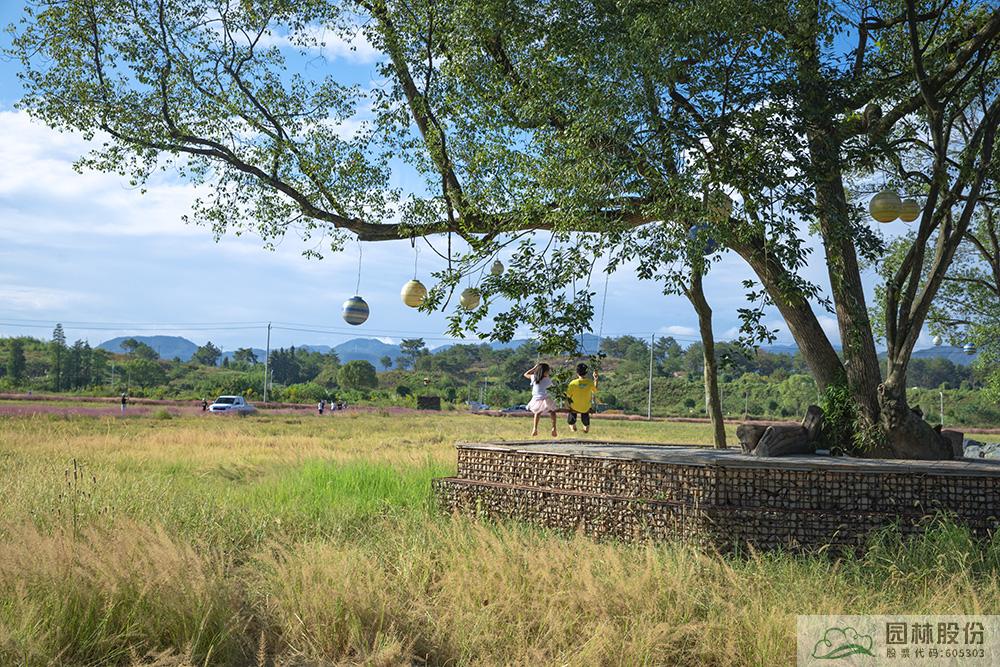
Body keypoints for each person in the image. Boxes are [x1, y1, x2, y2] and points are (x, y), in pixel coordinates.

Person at [523, 362, 557, 437]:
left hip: (536, 399)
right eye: (548, 371)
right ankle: (554, 427)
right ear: (545, 372)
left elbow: (526, 374)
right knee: (553, 412)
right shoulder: (548, 379)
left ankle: (535, 428)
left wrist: (534, 368)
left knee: (537, 413)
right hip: (546, 399)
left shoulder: (534, 377)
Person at [566, 363, 599, 433]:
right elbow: (595, 390)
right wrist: (595, 379)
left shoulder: (572, 383)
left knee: (571, 417)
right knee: (585, 415)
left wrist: (567, 405)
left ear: (577, 372)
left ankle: (573, 426)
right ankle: (586, 427)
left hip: (574, 407)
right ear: (586, 372)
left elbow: (568, 396)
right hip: (585, 407)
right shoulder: (590, 382)